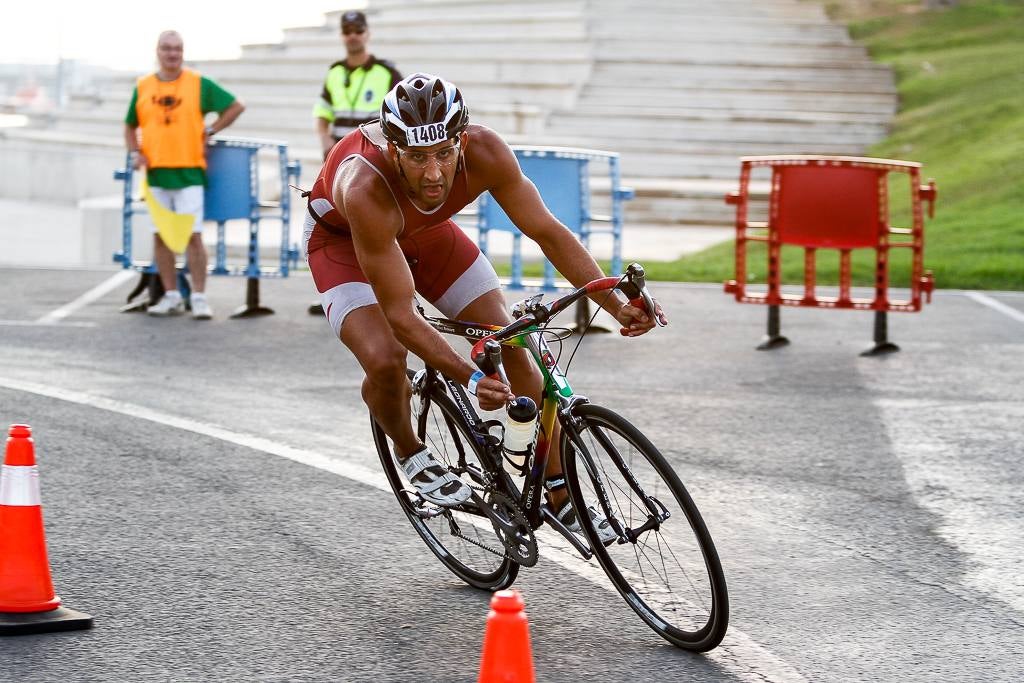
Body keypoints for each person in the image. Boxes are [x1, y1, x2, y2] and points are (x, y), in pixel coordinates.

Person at [304, 73, 666, 539]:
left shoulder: (487, 151)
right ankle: (411, 450)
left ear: (461, 139)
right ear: (394, 150)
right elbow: (401, 315)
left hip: (427, 235)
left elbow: (548, 232)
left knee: (512, 340)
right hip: (345, 246)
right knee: (385, 358)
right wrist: (471, 376)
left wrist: (615, 305)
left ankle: (558, 491)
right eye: (416, 157)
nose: (433, 173)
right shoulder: (364, 185)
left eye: (443, 153)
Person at [123, 30, 245, 319]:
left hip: (189, 171)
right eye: (167, 48)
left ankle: (200, 297)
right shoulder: (143, 86)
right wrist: (134, 152)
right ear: (157, 51)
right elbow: (130, 125)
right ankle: (171, 295)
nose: (172, 54)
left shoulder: (197, 83)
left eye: (177, 49)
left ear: (183, 52)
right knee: (162, 237)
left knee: (193, 236)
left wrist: (212, 130)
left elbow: (236, 106)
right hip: (155, 174)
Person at [313, 10, 402, 160]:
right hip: (339, 154)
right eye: (347, 31)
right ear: (341, 35)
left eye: (358, 30)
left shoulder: (387, 72)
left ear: (367, 33)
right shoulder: (335, 72)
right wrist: (326, 142)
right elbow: (322, 114)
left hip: (374, 155)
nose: (353, 35)